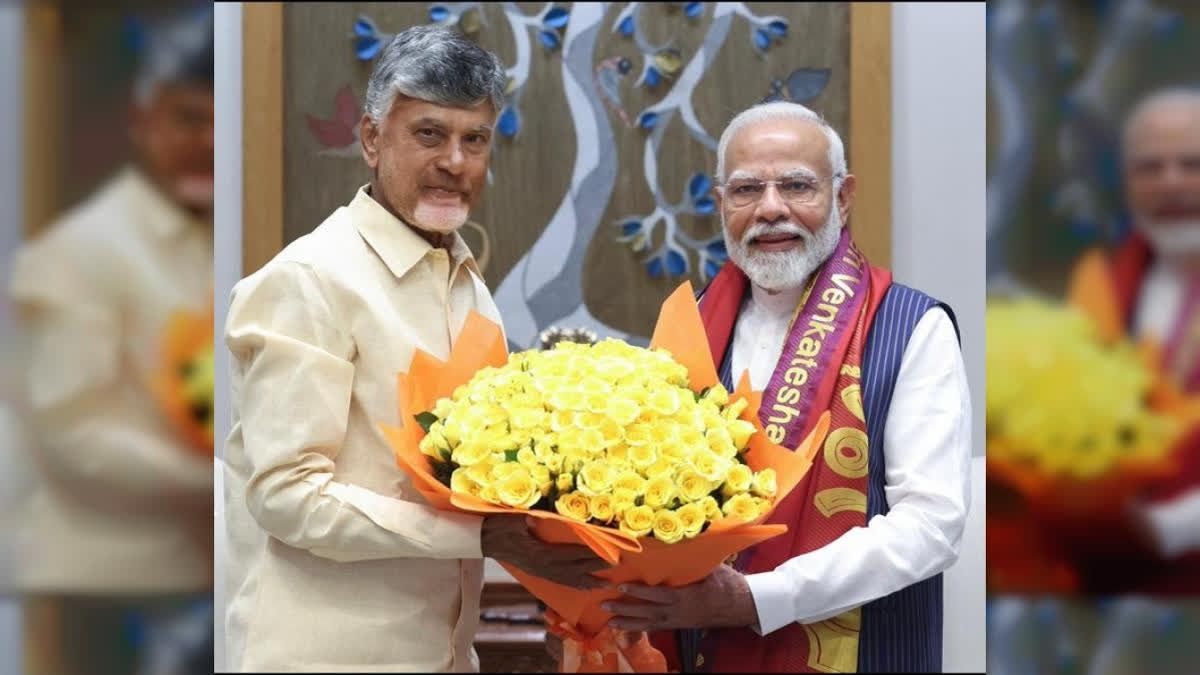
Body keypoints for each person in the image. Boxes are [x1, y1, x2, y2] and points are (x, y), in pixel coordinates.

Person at [221, 25, 607, 672]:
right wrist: (480, 534)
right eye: (429, 134)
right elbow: (286, 495)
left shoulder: (468, 289)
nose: (455, 162)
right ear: (372, 139)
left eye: (473, 139)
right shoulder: (309, 280)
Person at [602, 101, 973, 673]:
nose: (771, 209)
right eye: (747, 190)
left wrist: (758, 598)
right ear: (722, 203)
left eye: (798, 186)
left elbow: (931, 524)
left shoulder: (909, 326)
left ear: (843, 198)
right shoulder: (690, 325)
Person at [7, 9, 216, 675]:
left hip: (203, 579)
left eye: (221, 121)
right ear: (142, 120)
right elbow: (74, 430)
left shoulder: (226, 239)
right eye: (188, 118)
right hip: (107, 585)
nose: (208, 142)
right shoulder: (78, 252)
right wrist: (221, 480)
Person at [1067, 87, 1200, 592]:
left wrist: (1169, 529)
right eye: (1151, 167)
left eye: (1191, 163)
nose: (1172, 183)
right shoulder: (1104, 280)